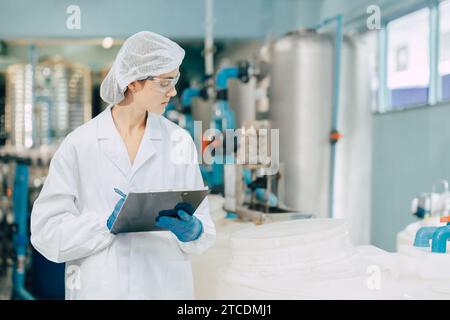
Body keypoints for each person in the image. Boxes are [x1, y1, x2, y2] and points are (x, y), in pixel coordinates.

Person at [30, 31, 216, 300]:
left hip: (162, 288)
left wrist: (194, 231)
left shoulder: (178, 140)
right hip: (101, 288)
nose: (173, 91)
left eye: (174, 80)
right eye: (165, 82)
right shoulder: (79, 144)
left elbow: (205, 226)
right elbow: (46, 232)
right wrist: (103, 225)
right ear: (133, 83)